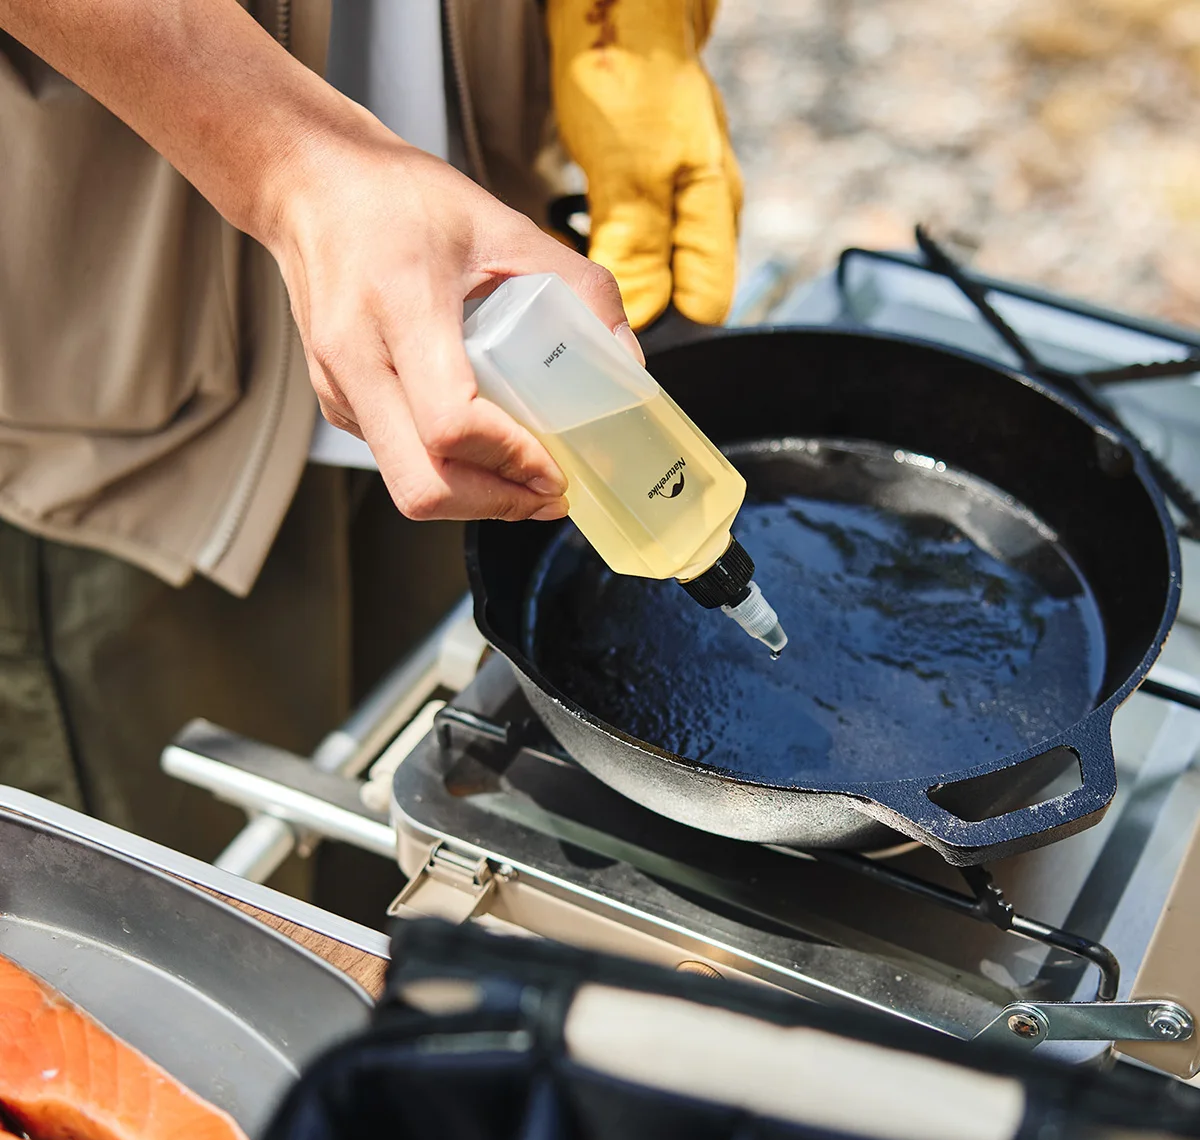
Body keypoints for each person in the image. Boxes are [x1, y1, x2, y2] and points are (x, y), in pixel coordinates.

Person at [0, 0, 741, 909]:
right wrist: (288, 157)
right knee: (195, 892)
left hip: (474, 273)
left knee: (412, 822)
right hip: (128, 353)